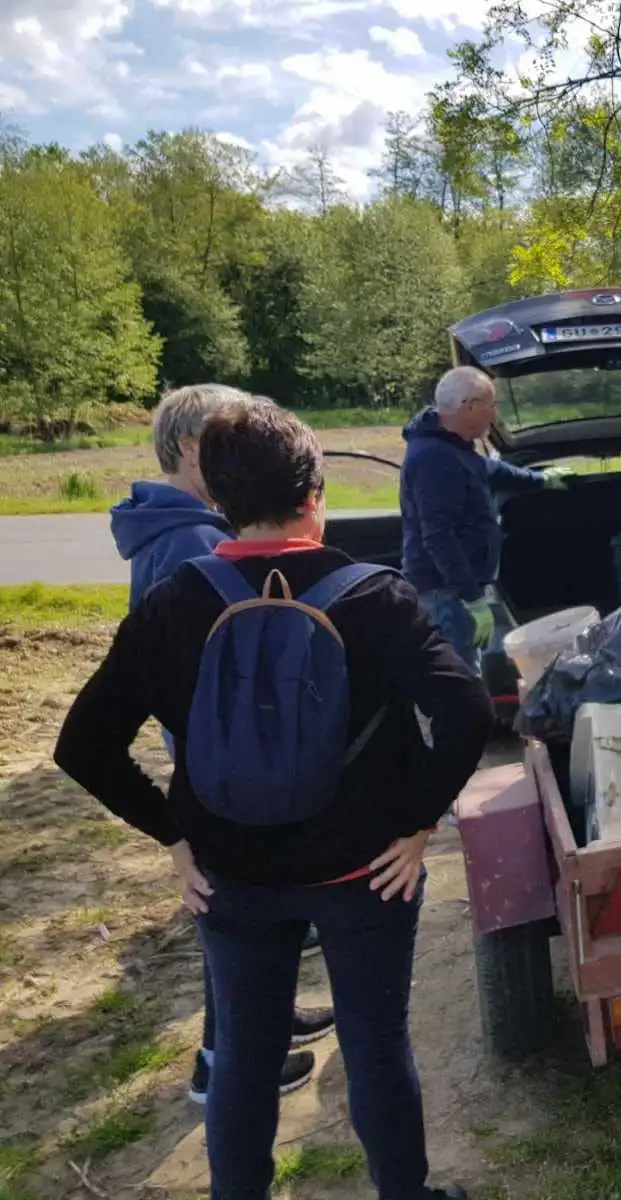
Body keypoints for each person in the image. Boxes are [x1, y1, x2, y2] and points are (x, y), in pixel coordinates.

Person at [57, 402, 492, 1200]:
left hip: (230, 876)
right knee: (375, 1047)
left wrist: (174, 837)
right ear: (314, 492)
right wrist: (417, 823)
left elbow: (82, 746)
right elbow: (468, 710)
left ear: (218, 497)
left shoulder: (173, 602)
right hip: (366, 874)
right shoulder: (377, 597)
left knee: (244, 1059)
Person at [109, 383, 334, 1106]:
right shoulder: (192, 542)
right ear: (187, 448)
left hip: (224, 751)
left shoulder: (184, 526)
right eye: (225, 439)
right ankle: (224, 1061)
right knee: (231, 911)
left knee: (255, 903)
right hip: (227, 759)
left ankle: (271, 1019)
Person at [400, 366, 564, 674]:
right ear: (471, 406)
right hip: (445, 593)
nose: (495, 412)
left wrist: (541, 479)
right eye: (492, 404)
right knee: (460, 679)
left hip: (456, 590)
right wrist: (471, 598)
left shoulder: (453, 446)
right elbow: (438, 536)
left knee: (467, 673)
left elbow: (491, 469)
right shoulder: (434, 458)